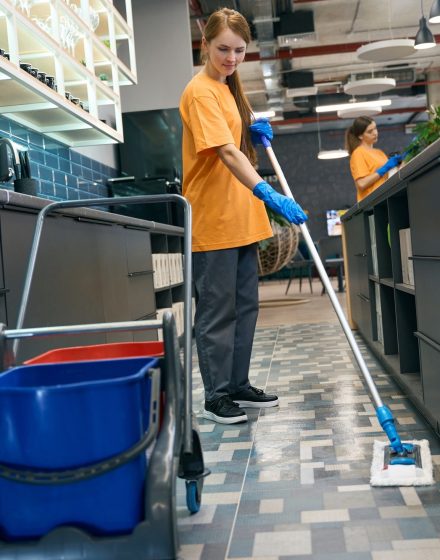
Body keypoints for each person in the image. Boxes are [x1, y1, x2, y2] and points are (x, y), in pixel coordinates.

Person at [179, 8, 307, 424]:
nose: (231, 58)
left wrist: (251, 126)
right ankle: (216, 395)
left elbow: (236, 139)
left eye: (239, 51)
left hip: (240, 217)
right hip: (213, 218)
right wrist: (269, 192)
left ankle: (237, 385)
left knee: (246, 308)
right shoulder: (200, 91)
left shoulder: (226, 89)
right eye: (223, 49)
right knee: (217, 311)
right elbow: (226, 153)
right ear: (205, 44)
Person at [346, 116, 403, 202]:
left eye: (375, 128)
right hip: (371, 203)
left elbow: (390, 176)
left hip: (386, 197)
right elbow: (362, 183)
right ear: (360, 136)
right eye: (370, 131)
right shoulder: (358, 153)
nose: (375, 133)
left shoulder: (379, 152)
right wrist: (383, 169)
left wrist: (403, 161)